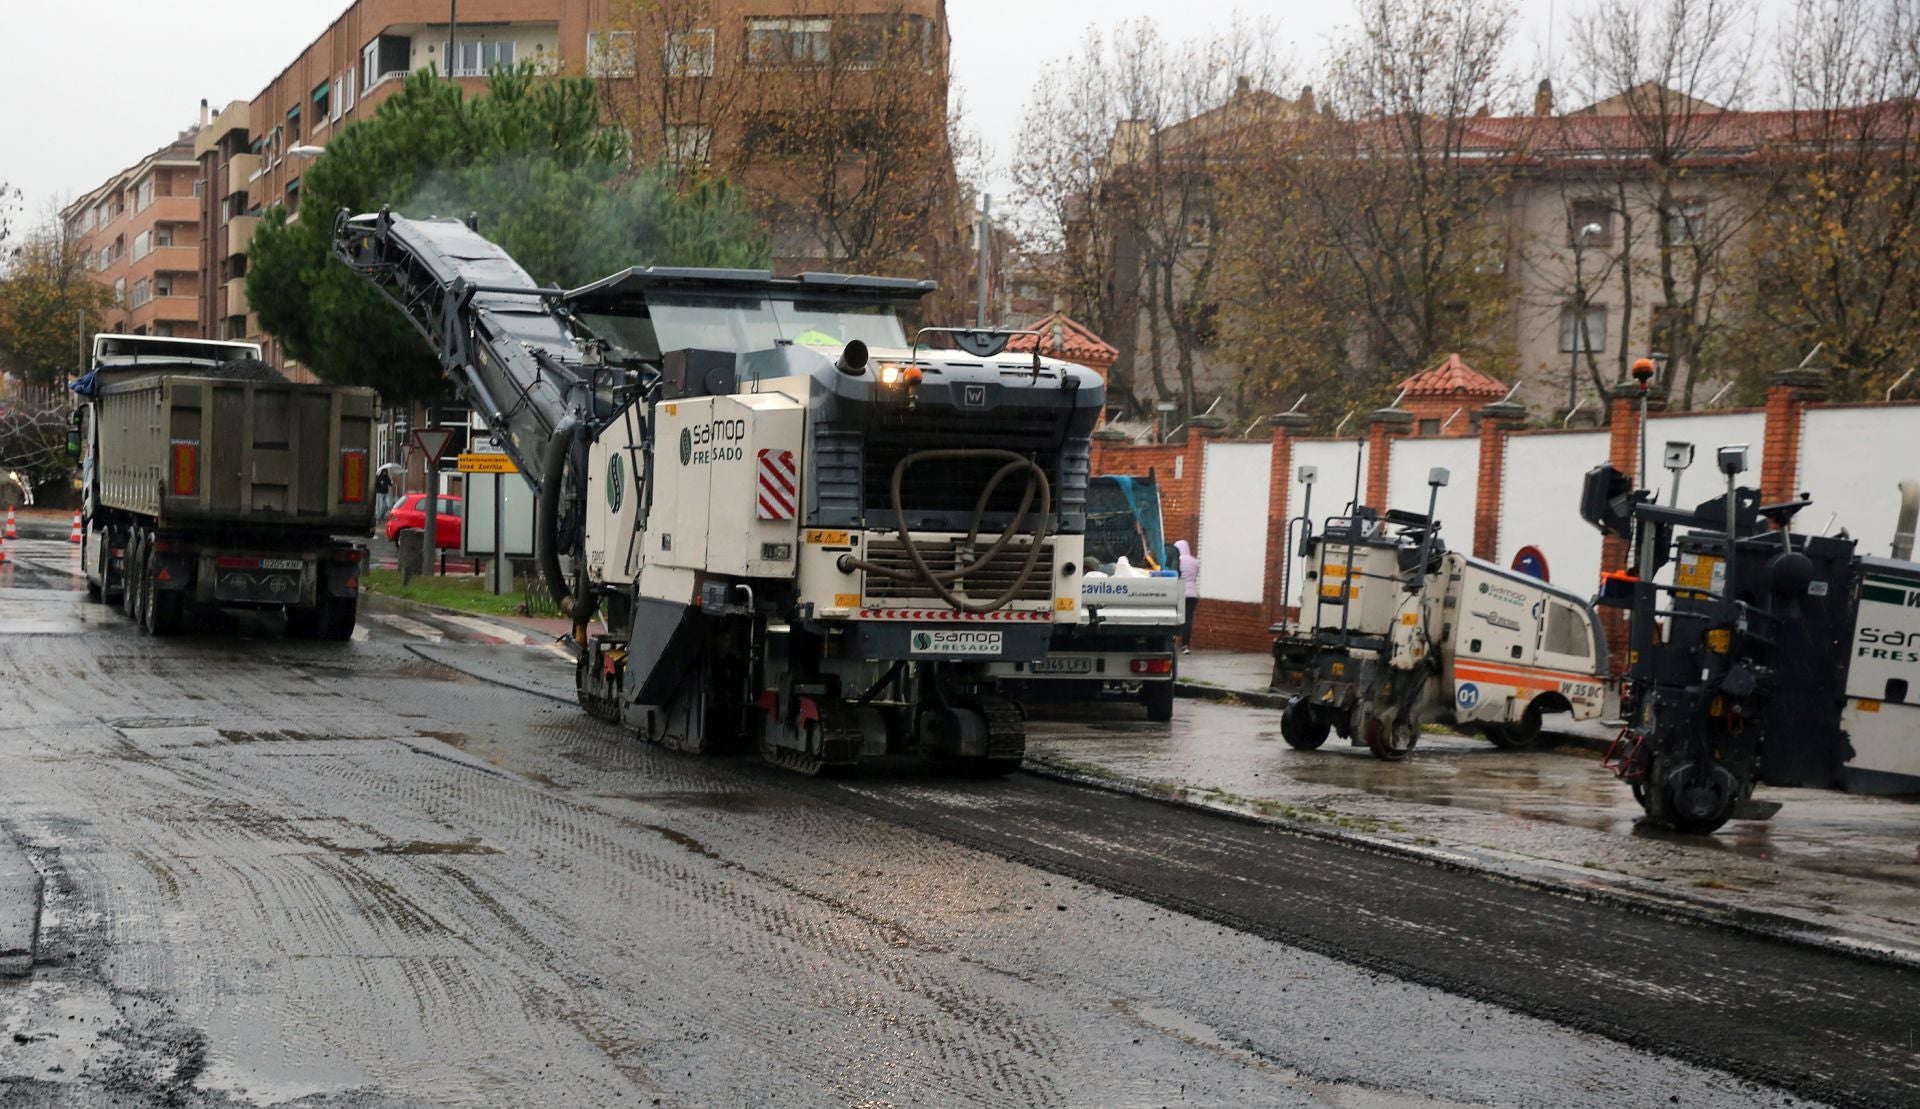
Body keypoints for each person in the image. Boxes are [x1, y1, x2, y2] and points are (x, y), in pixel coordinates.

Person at [1173, 539, 1200, 654]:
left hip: (1178, 593)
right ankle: (1185, 646)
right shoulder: (1195, 562)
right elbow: (1195, 576)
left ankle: (1173, 640)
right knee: (1188, 620)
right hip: (1192, 595)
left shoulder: (1177, 560)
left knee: (1175, 618)